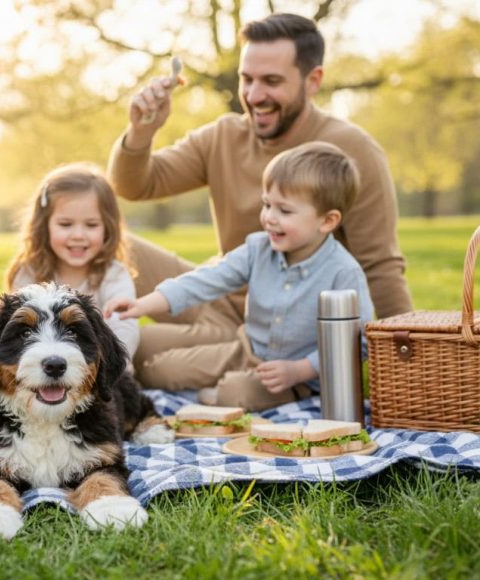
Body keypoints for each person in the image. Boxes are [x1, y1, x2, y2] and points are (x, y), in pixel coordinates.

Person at [107, 12, 411, 388]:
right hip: (218, 296)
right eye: (246, 79)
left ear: (313, 80)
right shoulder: (223, 136)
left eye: (271, 81)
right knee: (105, 245)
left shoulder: (353, 151)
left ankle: (239, 370)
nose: (253, 96)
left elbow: (380, 267)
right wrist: (141, 131)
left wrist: (406, 365)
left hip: (287, 329)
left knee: (144, 358)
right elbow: (134, 185)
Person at [104, 142, 374, 411]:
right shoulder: (258, 249)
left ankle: (221, 393)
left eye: (284, 210)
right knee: (159, 371)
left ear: (327, 221)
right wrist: (143, 304)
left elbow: (357, 341)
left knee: (235, 393)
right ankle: (215, 390)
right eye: (267, 204)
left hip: (297, 376)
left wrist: (300, 370)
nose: (269, 218)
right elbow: (206, 279)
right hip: (245, 351)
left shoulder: (344, 272)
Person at [6, 163, 139, 363]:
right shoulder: (29, 273)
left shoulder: (114, 275)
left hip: (102, 369)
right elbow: (16, 331)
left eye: (91, 225)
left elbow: (125, 329)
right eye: (65, 224)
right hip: (44, 367)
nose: (78, 235)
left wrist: (100, 367)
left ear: (107, 228)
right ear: (44, 226)